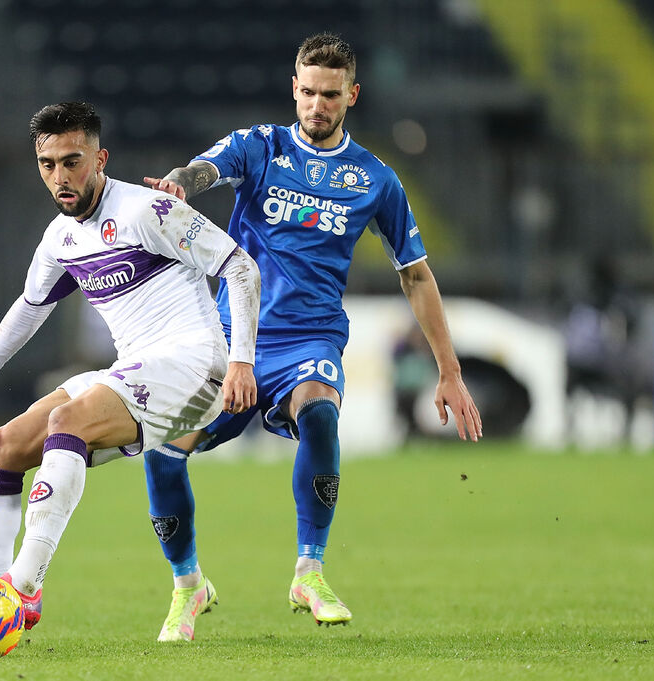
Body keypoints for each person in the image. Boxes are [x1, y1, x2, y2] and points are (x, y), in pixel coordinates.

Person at [141, 33, 483, 641]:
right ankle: (187, 583)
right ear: (293, 88)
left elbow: (417, 275)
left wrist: (449, 371)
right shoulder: (260, 147)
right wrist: (178, 186)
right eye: (306, 92)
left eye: (329, 95)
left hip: (311, 340)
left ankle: (310, 569)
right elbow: (201, 170)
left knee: (320, 414)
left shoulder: (374, 179)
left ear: (351, 95)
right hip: (232, 340)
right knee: (164, 450)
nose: (316, 105)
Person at [0, 101, 261, 648]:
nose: (60, 176)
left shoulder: (148, 210)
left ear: (100, 159)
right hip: (134, 369)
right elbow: (28, 310)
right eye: (48, 164)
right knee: (0, 446)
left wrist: (242, 360)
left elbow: (240, 267)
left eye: (72, 161)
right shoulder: (61, 238)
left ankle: (22, 589)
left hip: (198, 366)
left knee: (69, 419)